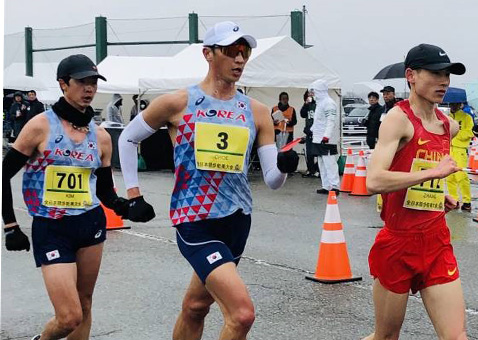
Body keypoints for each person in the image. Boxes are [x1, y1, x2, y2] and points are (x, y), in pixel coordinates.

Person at [117, 21, 298, 340]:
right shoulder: (178, 102)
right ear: (208, 54)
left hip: (238, 220)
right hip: (195, 220)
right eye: (231, 51)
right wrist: (134, 194)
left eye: (245, 52)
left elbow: (271, 180)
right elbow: (128, 139)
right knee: (241, 314)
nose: (240, 59)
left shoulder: (255, 111)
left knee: (197, 306)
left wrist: (284, 165)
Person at [2, 54, 134, 340]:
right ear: (63, 84)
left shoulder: (100, 137)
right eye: (82, 82)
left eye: (93, 83)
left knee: (85, 303)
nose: (89, 89)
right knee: (69, 316)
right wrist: (10, 226)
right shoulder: (40, 126)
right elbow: (4, 173)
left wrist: (126, 206)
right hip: (52, 227)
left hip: (90, 223)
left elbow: (104, 191)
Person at [363, 43, 468, 340]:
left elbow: (421, 173)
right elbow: (374, 181)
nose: (444, 81)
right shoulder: (398, 119)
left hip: (436, 241)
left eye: (447, 74)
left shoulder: (449, 126)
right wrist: (433, 174)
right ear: (411, 75)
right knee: (385, 337)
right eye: (435, 74)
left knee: (456, 337)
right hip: (398, 243)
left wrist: (437, 194)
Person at [309, 79, 340, 194]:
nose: (312, 93)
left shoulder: (329, 103)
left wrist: (326, 136)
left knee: (329, 162)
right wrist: (311, 131)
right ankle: (326, 186)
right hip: (318, 138)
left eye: (313, 91)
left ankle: (334, 186)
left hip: (327, 139)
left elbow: (331, 121)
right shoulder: (320, 103)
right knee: (322, 162)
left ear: (319, 90)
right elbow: (318, 122)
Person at [447, 99, 474, 211]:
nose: (453, 106)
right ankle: (454, 200)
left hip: (460, 149)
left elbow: (470, 132)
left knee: (461, 176)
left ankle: (467, 201)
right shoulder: (447, 117)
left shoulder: (466, 117)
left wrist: (456, 133)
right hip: (448, 149)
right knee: (449, 177)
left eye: (455, 103)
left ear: (460, 104)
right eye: (451, 103)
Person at [300, 89, 318, 177]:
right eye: (308, 95)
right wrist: (306, 103)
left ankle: (317, 169)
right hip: (309, 132)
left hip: (318, 132)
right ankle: (311, 170)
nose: (310, 96)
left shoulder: (318, 104)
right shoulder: (307, 105)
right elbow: (302, 114)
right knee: (309, 153)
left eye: (311, 94)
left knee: (319, 153)